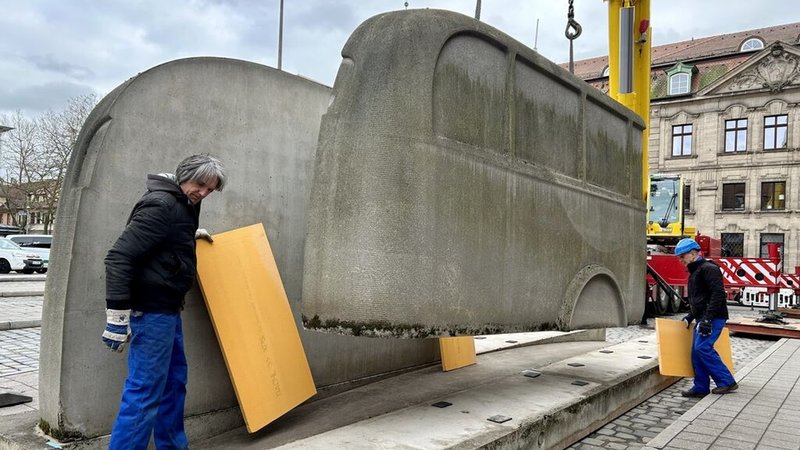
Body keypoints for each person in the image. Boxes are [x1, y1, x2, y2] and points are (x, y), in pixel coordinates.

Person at [102, 154, 226, 450]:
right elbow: (119, 257)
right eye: (200, 185)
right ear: (183, 175)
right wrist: (117, 317)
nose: (204, 193)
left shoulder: (184, 203)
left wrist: (187, 235)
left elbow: (160, 240)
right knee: (144, 393)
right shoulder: (163, 205)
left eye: (210, 189)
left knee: (173, 385)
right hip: (151, 312)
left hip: (168, 310)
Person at [674, 237, 738, 398]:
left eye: (682, 256)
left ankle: (726, 381)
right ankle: (701, 387)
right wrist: (690, 316)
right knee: (696, 352)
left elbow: (717, 295)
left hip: (713, 317)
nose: (680, 260)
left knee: (703, 348)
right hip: (704, 317)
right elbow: (699, 299)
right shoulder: (696, 270)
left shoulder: (709, 268)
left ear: (694, 254)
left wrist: (708, 319)